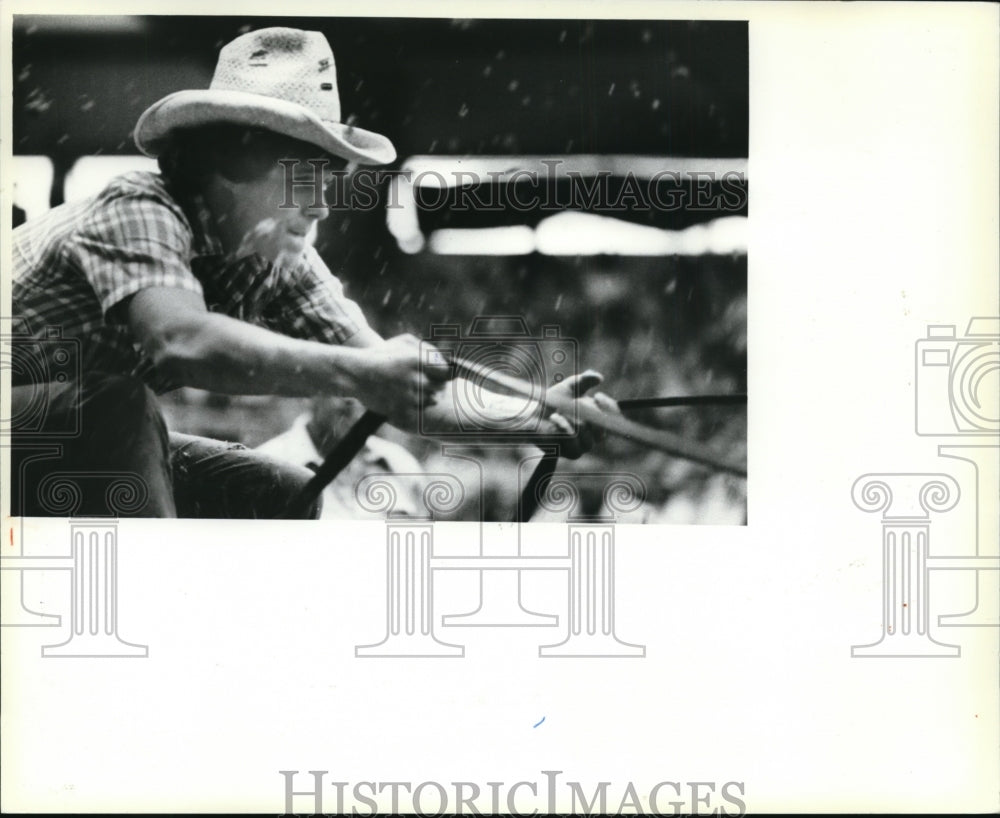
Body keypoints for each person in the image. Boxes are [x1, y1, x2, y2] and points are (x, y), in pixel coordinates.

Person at [9, 26, 613, 519]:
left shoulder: (280, 258)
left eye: (330, 181)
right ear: (234, 156)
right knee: (121, 407)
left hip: (54, 441)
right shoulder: (138, 206)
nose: (323, 204)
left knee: (279, 488)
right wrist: (362, 372)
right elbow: (182, 342)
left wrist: (532, 415)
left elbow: (398, 391)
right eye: (306, 178)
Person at [255, 396, 426, 519]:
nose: (351, 399)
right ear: (308, 393)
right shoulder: (266, 466)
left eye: (364, 387)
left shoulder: (400, 462)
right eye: (341, 386)